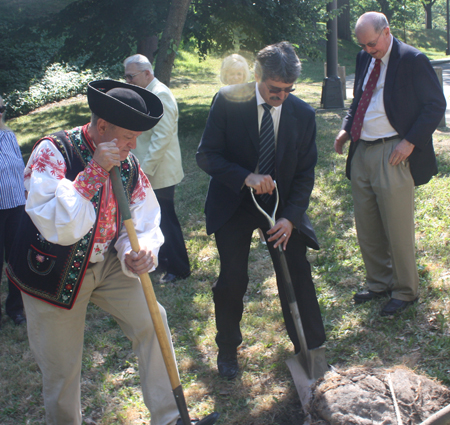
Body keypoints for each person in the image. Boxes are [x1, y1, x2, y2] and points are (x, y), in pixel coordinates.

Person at [6, 80, 195, 425]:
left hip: (105, 263)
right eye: (126, 137)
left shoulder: (128, 163)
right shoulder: (53, 151)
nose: (132, 145)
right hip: (51, 270)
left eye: (136, 138)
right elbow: (57, 227)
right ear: (102, 126)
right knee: (62, 367)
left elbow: (141, 218)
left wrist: (138, 252)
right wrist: (92, 173)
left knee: (154, 322)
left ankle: (171, 417)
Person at [196, 42, 326, 380]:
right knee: (232, 279)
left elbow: (305, 174)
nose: (280, 96)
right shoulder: (228, 100)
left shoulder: (303, 115)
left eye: (287, 90)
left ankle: (310, 348)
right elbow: (206, 155)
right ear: (257, 76)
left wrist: (291, 217)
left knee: (297, 273)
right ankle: (227, 349)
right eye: (273, 89)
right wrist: (246, 177)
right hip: (235, 202)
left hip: (281, 207)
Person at [334, 12, 446, 316]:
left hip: (393, 152)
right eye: (363, 45)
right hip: (362, 152)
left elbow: (436, 104)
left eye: (372, 44)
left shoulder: (412, 59)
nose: (368, 50)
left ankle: (405, 291)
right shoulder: (363, 57)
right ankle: (378, 283)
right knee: (367, 225)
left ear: (386, 32)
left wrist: (410, 141)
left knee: (397, 228)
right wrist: (346, 128)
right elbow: (359, 99)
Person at [123, 54, 190, 284]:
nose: (128, 82)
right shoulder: (147, 93)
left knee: (166, 220)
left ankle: (179, 268)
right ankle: (163, 262)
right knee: (154, 219)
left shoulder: (160, 95)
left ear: (147, 73)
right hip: (149, 168)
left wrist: (146, 172)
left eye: (131, 77)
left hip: (159, 170)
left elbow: (161, 139)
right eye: (126, 77)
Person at [0, 95, 27, 328]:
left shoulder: (8, 136)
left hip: (17, 206)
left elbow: (20, 169)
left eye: (1, 108)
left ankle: (16, 309)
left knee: (16, 259)